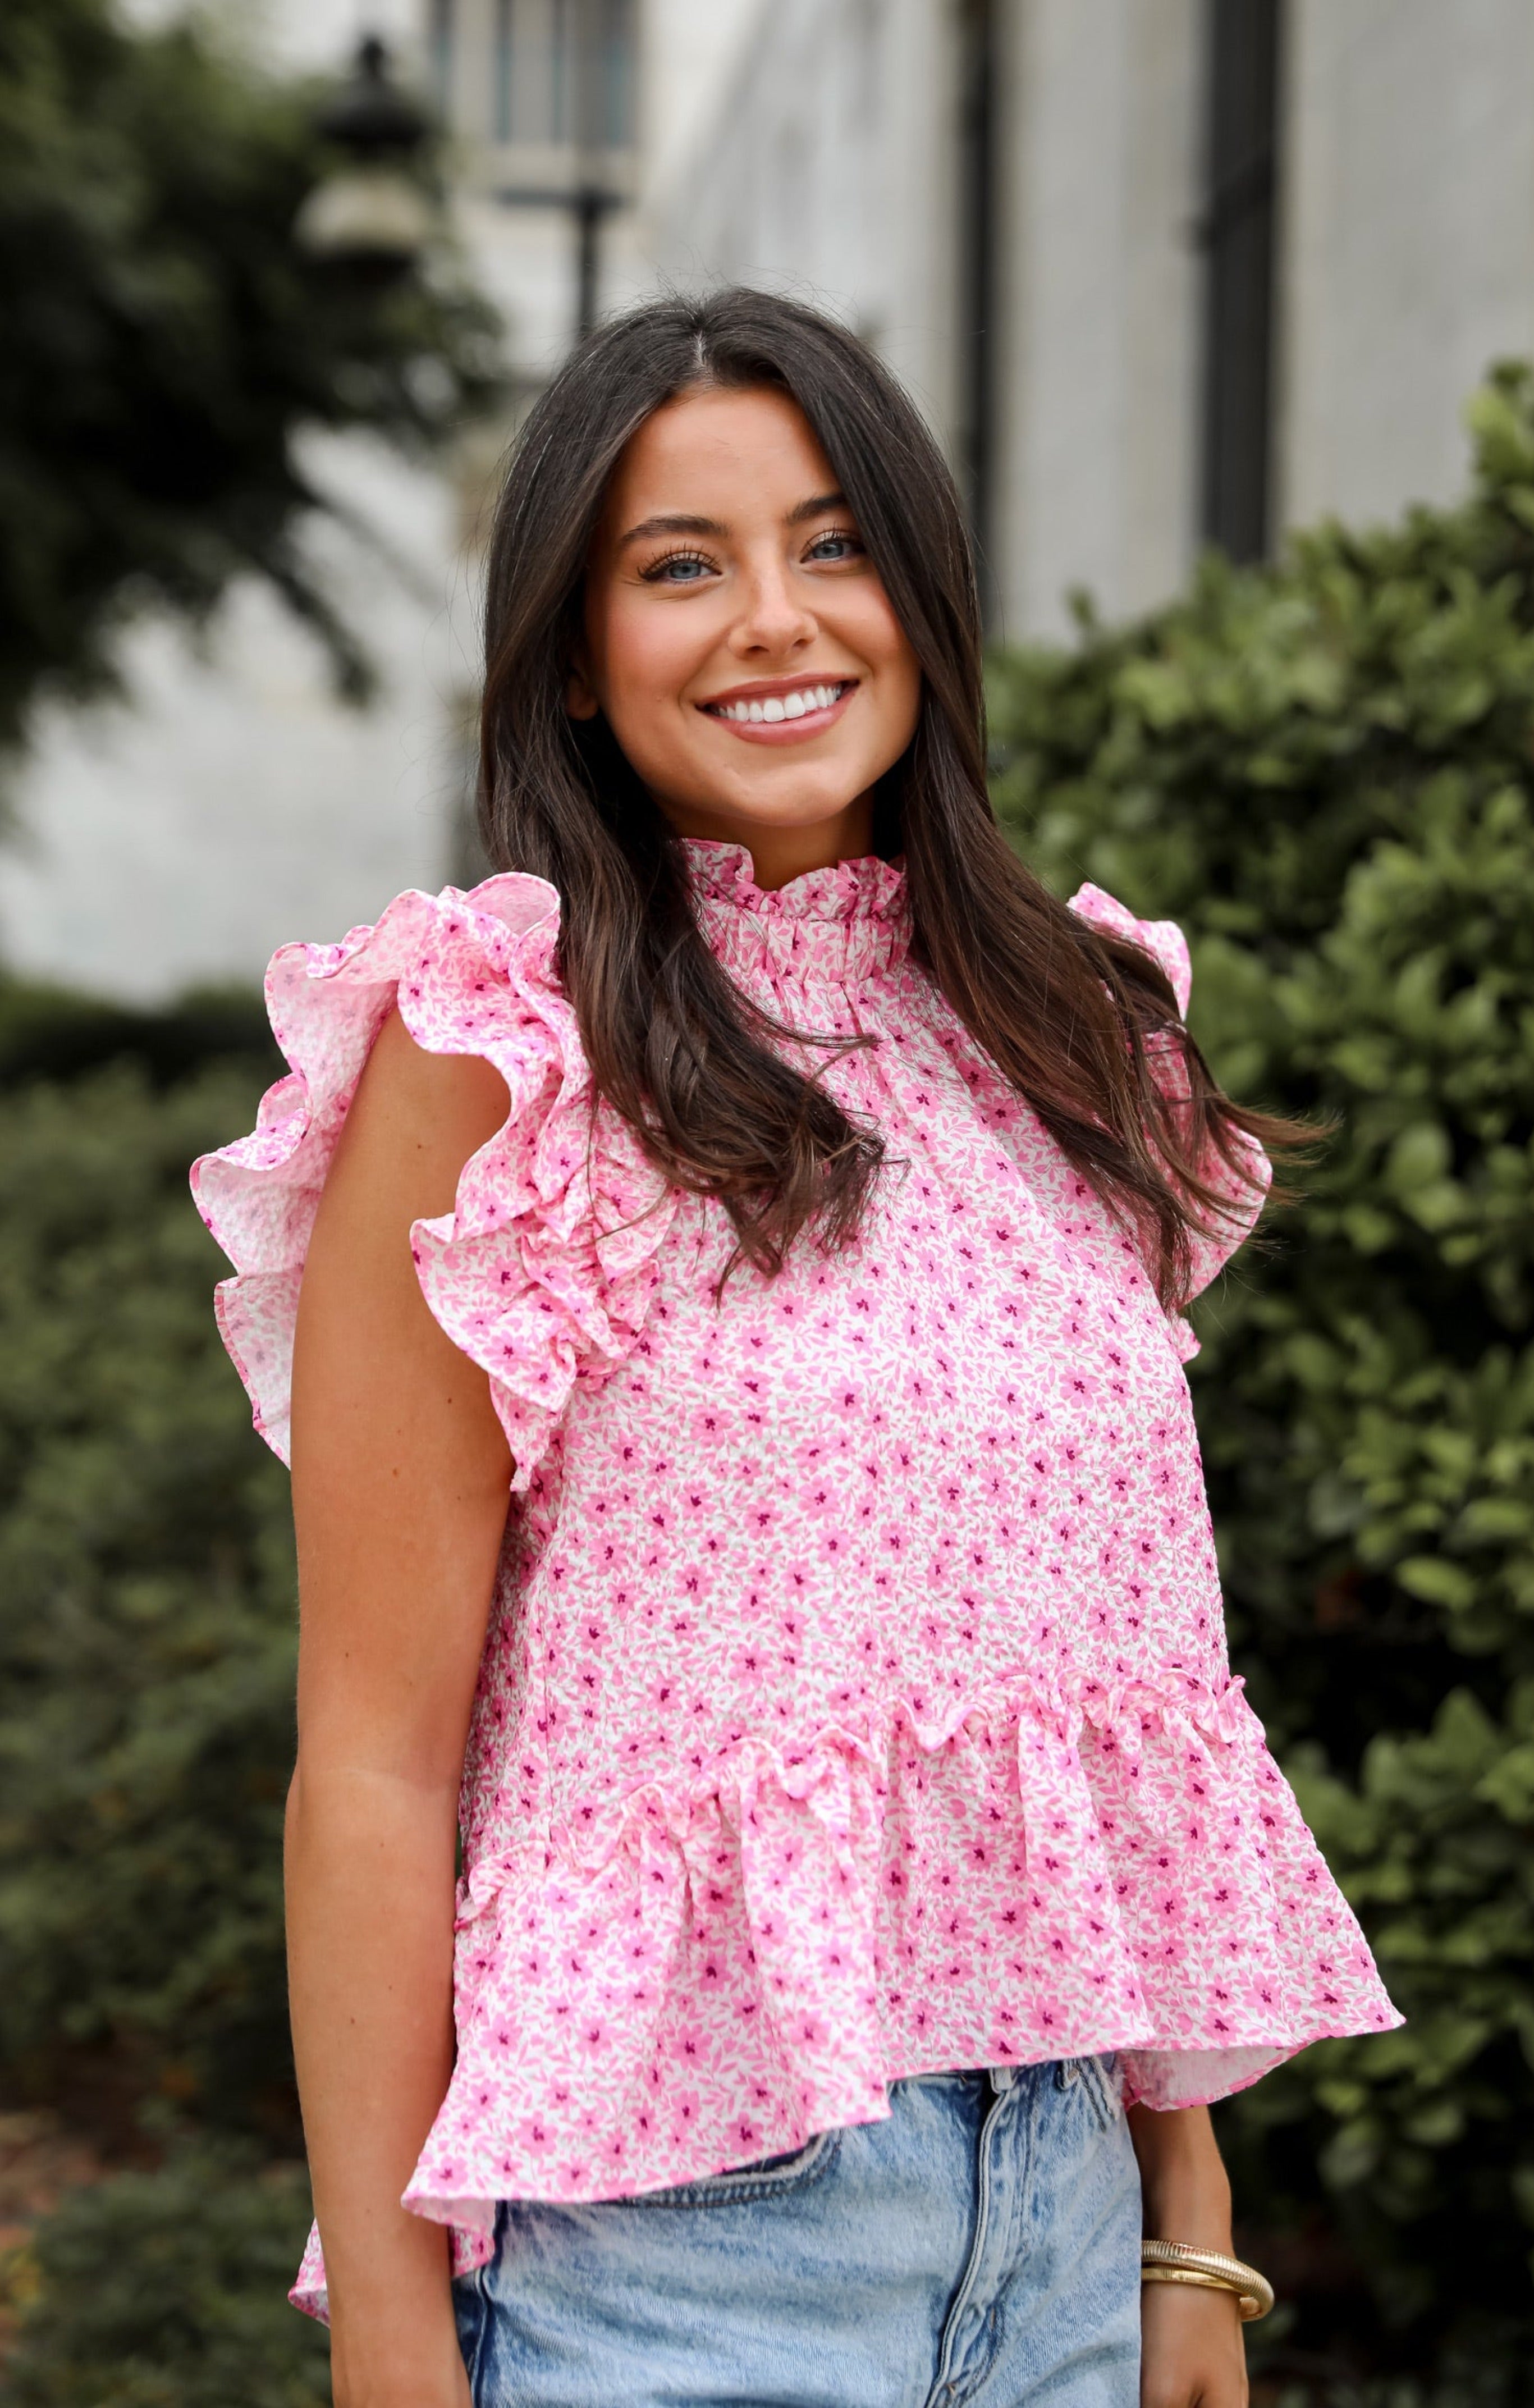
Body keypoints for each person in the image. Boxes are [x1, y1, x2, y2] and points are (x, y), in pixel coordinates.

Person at [193, 289, 1398, 2408]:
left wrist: (1185, 2232)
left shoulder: (1072, 1031)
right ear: (574, 649)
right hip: (671, 2267)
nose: (775, 619)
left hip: (1067, 2239)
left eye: (833, 545)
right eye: (681, 565)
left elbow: (1099, 1696)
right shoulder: (496, 1055)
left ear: (921, 599)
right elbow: (373, 1769)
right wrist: (392, 2345)